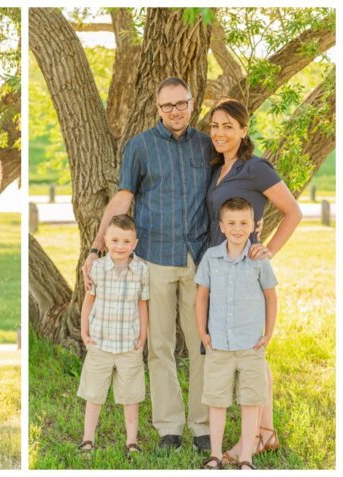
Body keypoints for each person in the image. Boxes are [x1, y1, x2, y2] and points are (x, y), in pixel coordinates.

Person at [83, 77, 213, 452]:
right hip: (154, 258)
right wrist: (95, 249)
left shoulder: (206, 145)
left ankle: (203, 427)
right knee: (159, 347)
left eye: (181, 104)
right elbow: (123, 198)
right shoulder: (140, 146)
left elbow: (224, 191)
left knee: (201, 343)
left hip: (197, 258)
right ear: (157, 109)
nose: (175, 111)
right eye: (167, 106)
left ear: (192, 104)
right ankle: (169, 427)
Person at [203, 98, 300, 463]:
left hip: (246, 271)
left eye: (228, 125)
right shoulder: (218, 170)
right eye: (215, 125)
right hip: (220, 268)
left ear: (244, 130)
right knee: (248, 349)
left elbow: (293, 211)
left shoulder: (256, 168)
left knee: (253, 350)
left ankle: (256, 438)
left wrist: (269, 249)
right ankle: (265, 432)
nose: (220, 132)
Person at [196, 198, 277, 470]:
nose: (238, 228)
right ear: (221, 226)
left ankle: (246, 457)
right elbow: (201, 297)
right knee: (217, 401)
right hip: (219, 344)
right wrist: (202, 333)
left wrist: (269, 333)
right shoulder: (211, 257)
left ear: (253, 225)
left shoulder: (259, 260)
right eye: (231, 223)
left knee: (251, 400)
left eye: (244, 223)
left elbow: (271, 297)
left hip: (251, 345)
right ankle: (215, 455)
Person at [77, 215, 149, 456]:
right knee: (94, 394)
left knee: (131, 396)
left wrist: (142, 336)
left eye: (126, 241)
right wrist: (84, 332)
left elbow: (142, 304)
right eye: (115, 240)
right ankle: (88, 439)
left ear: (135, 244)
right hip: (100, 342)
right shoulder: (96, 269)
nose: (120, 246)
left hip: (129, 344)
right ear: (106, 240)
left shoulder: (141, 270)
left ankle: (132, 441)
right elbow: (89, 301)